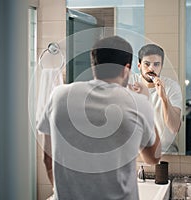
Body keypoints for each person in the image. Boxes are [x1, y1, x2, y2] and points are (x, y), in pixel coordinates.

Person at [37, 36, 161, 200]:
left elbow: (48, 158)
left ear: (94, 64)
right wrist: (146, 100)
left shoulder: (59, 96)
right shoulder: (137, 103)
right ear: (127, 69)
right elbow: (152, 158)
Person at [129, 44, 182, 153]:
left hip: (166, 153)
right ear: (139, 66)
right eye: (147, 64)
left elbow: (174, 128)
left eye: (156, 64)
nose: (151, 68)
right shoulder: (129, 83)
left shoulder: (172, 87)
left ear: (161, 66)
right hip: (136, 152)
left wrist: (164, 98)